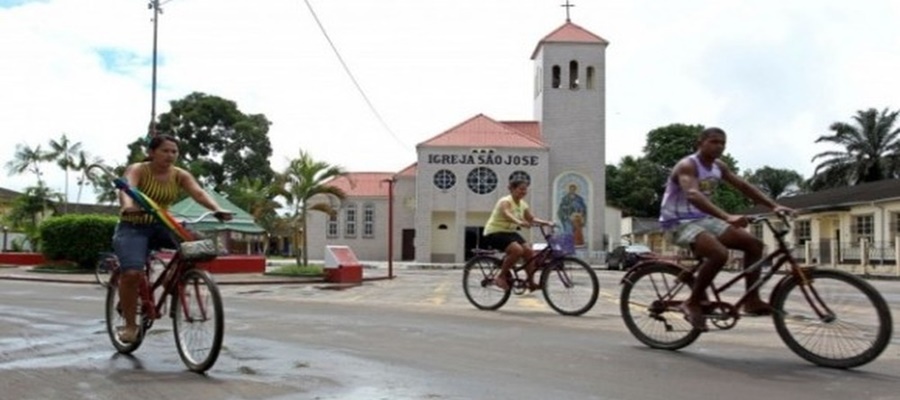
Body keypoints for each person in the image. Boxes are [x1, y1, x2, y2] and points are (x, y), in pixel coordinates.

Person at [659, 127, 793, 332]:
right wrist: (727, 217)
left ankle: (752, 300)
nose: (719, 146)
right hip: (677, 222)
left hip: (702, 219)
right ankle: (692, 302)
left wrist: (774, 206)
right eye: (714, 142)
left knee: (754, 245)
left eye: (723, 143)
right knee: (719, 254)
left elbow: (744, 186)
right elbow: (693, 194)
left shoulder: (718, 167)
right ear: (700, 143)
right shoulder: (688, 165)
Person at [113, 134, 232, 343]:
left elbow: (198, 193)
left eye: (174, 151)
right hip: (133, 227)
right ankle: (131, 325)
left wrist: (217, 208)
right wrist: (129, 207)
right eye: (165, 151)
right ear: (151, 152)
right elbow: (127, 188)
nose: (170, 155)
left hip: (163, 224)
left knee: (199, 247)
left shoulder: (180, 175)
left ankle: (173, 280)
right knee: (131, 273)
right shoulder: (138, 169)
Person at [482, 179, 553, 291]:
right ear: (513, 189)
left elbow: (531, 218)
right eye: (521, 189)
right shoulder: (505, 201)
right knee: (517, 250)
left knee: (529, 252)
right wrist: (519, 222)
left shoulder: (523, 204)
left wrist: (547, 223)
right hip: (494, 232)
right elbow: (507, 213)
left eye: (525, 190)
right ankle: (500, 277)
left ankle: (530, 283)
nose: (524, 192)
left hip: (509, 233)